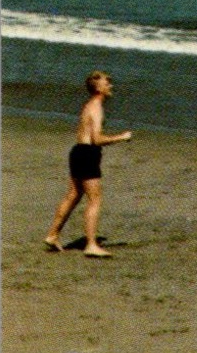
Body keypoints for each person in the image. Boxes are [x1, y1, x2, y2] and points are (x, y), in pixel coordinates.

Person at [45, 70, 132, 258]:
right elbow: (97, 139)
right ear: (98, 88)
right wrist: (122, 137)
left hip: (78, 152)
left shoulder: (89, 105)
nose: (110, 85)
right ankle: (91, 244)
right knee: (94, 200)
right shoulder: (96, 107)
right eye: (106, 83)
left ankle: (52, 235)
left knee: (73, 195)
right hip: (87, 154)